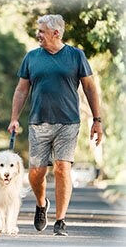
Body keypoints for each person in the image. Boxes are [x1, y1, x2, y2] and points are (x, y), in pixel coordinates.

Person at [8, 14, 102, 236]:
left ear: (56, 33)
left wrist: (97, 120)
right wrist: (14, 118)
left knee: (62, 168)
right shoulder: (31, 57)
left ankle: (60, 220)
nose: (37, 34)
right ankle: (42, 204)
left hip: (68, 122)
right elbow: (22, 90)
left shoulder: (76, 56)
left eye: (41, 31)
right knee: (36, 173)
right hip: (38, 122)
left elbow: (90, 88)